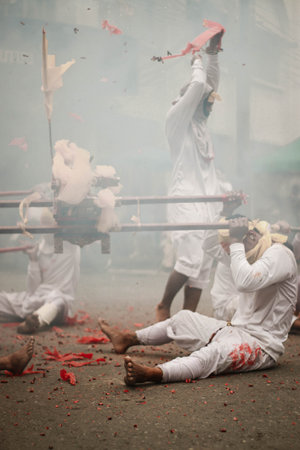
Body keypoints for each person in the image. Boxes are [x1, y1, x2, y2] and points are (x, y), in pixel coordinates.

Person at [98, 217, 297, 385]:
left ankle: (154, 374)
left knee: (212, 355)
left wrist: (237, 239)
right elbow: (208, 243)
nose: (247, 238)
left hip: (262, 346)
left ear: (264, 234)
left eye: (251, 235)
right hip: (233, 329)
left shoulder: (280, 254)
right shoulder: (246, 254)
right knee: (183, 319)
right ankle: (127, 339)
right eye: (244, 236)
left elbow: (246, 282)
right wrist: (226, 219)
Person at [156, 32, 224, 321]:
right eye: (206, 102)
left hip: (209, 201)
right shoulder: (177, 118)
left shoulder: (201, 122)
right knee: (190, 259)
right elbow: (199, 84)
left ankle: (187, 322)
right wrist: (196, 59)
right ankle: (163, 305)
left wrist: (213, 53)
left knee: (204, 266)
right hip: (185, 197)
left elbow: (208, 85)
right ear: (192, 101)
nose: (211, 106)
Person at [0, 208, 80, 334]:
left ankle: (36, 320)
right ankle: (32, 316)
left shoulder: (69, 245)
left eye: (49, 224)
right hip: (36, 299)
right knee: (4, 299)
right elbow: (32, 290)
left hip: (57, 304)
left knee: (58, 300)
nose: (45, 229)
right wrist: (33, 260)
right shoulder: (40, 246)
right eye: (43, 224)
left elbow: (75, 221)